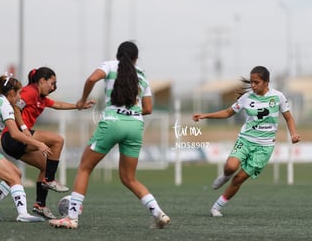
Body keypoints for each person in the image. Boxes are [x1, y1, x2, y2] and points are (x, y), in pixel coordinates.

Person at [49, 41, 171, 229]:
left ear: (117, 56)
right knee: (129, 178)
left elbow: (91, 79)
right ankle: (158, 214)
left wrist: (82, 101)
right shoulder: (142, 75)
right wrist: (132, 112)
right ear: (136, 58)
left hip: (113, 123)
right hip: (136, 126)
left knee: (85, 168)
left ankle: (71, 218)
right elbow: (148, 108)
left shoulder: (110, 65)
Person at [0, 67, 95, 220]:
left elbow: (58, 105)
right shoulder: (31, 92)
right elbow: (15, 107)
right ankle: (49, 179)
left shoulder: (41, 97)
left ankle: (40, 205)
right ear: (42, 81)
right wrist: (23, 127)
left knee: (44, 166)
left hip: (14, 142)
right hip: (12, 136)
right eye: (52, 83)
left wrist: (78, 106)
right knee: (57, 140)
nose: (54, 87)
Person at [192, 66, 301, 217]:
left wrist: (293, 135)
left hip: (265, 146)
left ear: (266, 82)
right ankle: (224, 176)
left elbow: (288, 117)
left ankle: (216, 208)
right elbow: (228, 112)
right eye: (252, 82)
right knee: (230, 167)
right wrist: (205, 115)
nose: (253, 85)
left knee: (238, 179)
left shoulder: (278, 97)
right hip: (246, 139)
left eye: (256, 82)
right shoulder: (246, 98)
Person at [0, 73, 52, 222]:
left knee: (16, 173)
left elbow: (15, 117)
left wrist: (24, 127)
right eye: (18, 93)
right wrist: (39, 144)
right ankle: (23, 214)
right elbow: (14, 134)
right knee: (13, 179)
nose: (20, 97)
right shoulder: (5, 105)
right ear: (11, 93)